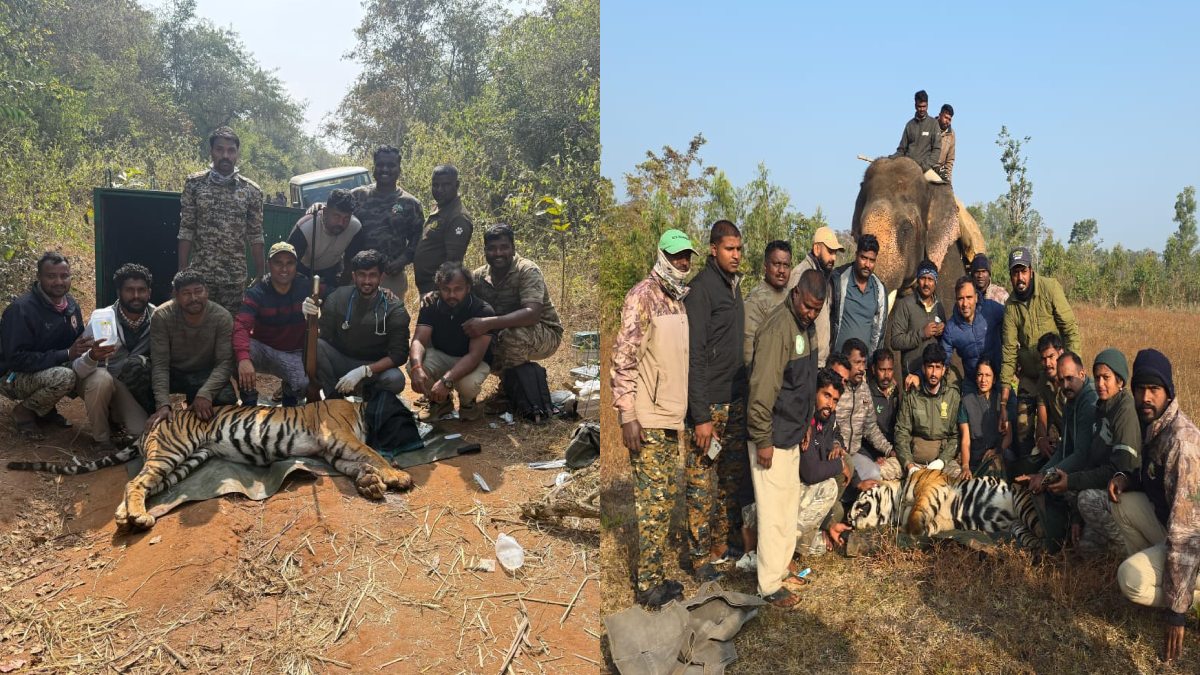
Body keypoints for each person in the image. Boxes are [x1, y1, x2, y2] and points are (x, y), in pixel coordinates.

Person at [610, 228, 696, 608]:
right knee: (652, 506)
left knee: (663, 504)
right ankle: (647, 586)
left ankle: (656, 574)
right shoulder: (642, 296)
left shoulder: (676, 300)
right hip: (647, 420)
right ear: (661, 255)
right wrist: (628, 414)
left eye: (687, 256)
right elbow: (624, 358)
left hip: (670, 419)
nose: (683, 262)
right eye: (676, 255)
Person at [1110, 349, 1200, 664]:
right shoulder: (1156, 425)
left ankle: (1186, 598)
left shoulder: (1181, 442)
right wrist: (1126, 480)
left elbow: (1187, 533)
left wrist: (1176, 615)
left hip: (1194, 542)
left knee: (1129, 579)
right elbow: (1153, 480)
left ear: (1168, 393)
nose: (1146, 397)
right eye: (1140, 389)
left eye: (1154, 390)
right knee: (1122, 504)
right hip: (1174, 529)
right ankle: (1171, 584)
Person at [746, 268, 825, 608]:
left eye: (817, 309)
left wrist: (806, 423)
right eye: (807, 306)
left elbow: (806, 382)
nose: (810, 313)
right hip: (772, 437)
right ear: (795, 294)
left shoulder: (807, 329)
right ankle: (767, 585)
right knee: (772, 512)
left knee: (787, 506)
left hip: (792, 432)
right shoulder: (778, 329)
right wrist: (763, 439)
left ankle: (779, 571)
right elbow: (761, 390)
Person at [684, 219, 748, 581]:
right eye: (729, 249)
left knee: (728, 477)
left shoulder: (734, 287)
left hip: (735, 399)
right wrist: (701, 415)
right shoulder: (702, 290)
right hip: (710, 406)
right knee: (700, 481)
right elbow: (694, 356)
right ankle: (697, 556)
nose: (736, 255)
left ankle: (722, 543)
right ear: (712, 249)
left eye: (739, 249)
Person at [1041, 349, 1140, 556]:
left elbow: (1118, 470)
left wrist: (1071, 481)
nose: (1101, 384)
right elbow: (1091, 462)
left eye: (1107, 378)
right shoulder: (1101, 408)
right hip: (1105, 486)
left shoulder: (1124, 410)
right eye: (1098, 378)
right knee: (1085, 548)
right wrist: (1078, 518)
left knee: (1085, 498)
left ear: (1120, 381)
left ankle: (1130, 548)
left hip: (1125, 490)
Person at [999, 246, 1080, 459]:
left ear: (1031, 271)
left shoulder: (1050, 288)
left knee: (1062, 425)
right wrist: (1004, 402)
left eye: (1023, 271)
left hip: (1055, 373)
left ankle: (1060, 467)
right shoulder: (1011, 307)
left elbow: (1070, 329)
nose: (1020, 277)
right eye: (1015, 273)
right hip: (1029, 375)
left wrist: (1070, 371)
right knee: (1023, 427)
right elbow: (1008, 350)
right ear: (1011, 276)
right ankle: (1027, 470)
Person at [0, 252, 89, 440]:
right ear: (39, 277)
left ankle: (45, 409)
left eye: (64, 276)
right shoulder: (21, 310)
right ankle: (24, 412)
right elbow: (16, 359)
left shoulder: (71, 305)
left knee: (91, 367)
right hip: (12, 375)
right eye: (51, 276)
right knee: (65, 376)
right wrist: (66, 353)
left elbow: (77, 338)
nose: (59, 281)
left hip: (47, 367)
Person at [178, 126, 265, 314]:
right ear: (211, 152)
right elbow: (186, 228)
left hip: (233, 279)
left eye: (231, 150)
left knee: (229, 332)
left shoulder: (251, 191)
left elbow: (255, 234)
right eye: (220, 149)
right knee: (198, 328)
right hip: (201, 277)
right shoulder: (194, 184)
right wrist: (182, 271)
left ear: (237, 154)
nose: (225, 155)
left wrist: (260, 274)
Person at [1017, 351, 1097, 552]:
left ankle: (1060, 534)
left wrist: (1045, 476)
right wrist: (1042, 473)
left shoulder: (1088, 401)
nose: (1066, 385)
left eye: (1070, 378)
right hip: (1080, 466)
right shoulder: (1071, 401)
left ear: (1082, 374)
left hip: (1093, 471)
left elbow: (1081, 455)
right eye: (1061, 380)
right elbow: (1064, 447)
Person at [72, 263, 155, 451]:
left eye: (141, 290)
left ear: (149, 292)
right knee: (101, 379)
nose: (135, 296)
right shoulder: (101, 319)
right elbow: (77, 369)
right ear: (119, 292)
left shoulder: (157, 318)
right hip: (99, 382)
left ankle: (117, 416)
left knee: (142, 435)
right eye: (129, 290)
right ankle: (102, 440)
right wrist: (92, 356)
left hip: (125, 388)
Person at [146, 270, 237, 429]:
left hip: (203, 372)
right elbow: (160, 364)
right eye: (186, 293)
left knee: (225, 398)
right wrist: (163, 404)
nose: (194, 298)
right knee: (134, 369)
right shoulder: (161, 316)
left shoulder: (222, 317)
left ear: (206, 291)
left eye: (198, 291)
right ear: (175, 294)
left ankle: (194, 419)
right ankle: (154, 419)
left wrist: (205, 393)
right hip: (173, 372)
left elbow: (224, 363)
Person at [468, 224, 563, 373]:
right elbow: (458, 295)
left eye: (504, 247)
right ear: (485, 251)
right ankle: (510, 380)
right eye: (492, 248)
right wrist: (434, 296)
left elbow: (532, 314)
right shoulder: (478, 276)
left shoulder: (527, 270)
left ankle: (512, 388)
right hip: (500, 329)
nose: (498, 253)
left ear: (513, 248)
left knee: (512, 336)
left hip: (544, 332)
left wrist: (488, 324)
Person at [315, 250, 409, 399]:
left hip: (374, 369)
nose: (366, 281)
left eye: (372, 275)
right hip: (342, 361)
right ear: (354, 276)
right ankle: (333, 397)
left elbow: (399, 355)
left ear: (381, 277)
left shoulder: (395, 308)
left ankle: (368, 399)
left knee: (395, 380)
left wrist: (364, 371)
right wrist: (307, 317)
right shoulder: (337, 298)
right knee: (316, 346)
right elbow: (324, 337)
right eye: (361, 275)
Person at [408, 262, 495, 422]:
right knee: (414, 365)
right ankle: (440, 403)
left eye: (458, 289)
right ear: (439, 288)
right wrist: (416, 367)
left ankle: (468, 403)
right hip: (443, 355)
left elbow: (475, 356)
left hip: (473, 361)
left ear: (468, 288)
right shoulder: (431, 304)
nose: (451, 295)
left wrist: (446, 381)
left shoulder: (482, 311)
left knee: (467, 385)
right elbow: (419, 340)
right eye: (446, 289)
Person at [233, 242, 313, 407]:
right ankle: (249, 400)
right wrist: (243, 359)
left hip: (292, 352)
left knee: (302, 384)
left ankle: (288, 400)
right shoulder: (257, 292)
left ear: (296, 266)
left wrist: (318, 303)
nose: (284, 268)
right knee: (235, 352)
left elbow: (333, 295)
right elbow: (241, 325)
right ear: (269, 265)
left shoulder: (306, 287)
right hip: (263, 349)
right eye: (278, 263)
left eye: (289, 263)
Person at [346, 145, 425, 300]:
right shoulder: (357, 196)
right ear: (374, 168)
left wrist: (400, 262)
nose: (385, 169)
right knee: (356, 321)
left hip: (391, 275)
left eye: (391, 165)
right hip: (358, 275)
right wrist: (318, 207)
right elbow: (335, 212)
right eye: (380, 165)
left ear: (399, 169)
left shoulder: (410, 204)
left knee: (390, 321)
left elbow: (418, 241)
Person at [831, 339, 897, 484]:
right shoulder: (834, 388)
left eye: (863, 363)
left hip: (853, 453)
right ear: (845, 361)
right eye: (857, 362)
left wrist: (889, 451)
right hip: (832, 452)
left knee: (874, 474)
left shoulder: (864, 389)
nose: (862, 368)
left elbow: (871, 428)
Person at [894, 343, 962, 477]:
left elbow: (956, 436)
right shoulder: (912, 394)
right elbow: (901, 432)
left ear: (944, 370)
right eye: (930, 367)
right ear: (923, 369)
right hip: (914, 460)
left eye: (938, 367)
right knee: (880, 473)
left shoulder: (953, 396)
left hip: (942, 462)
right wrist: (909, 464)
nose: (933, 373)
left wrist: (941, 462)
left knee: (960, 481)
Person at [786, 225, 844, 366]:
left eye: (835, 253)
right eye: (830, 252)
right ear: (817, 249)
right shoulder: (801, 274)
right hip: (803, 361)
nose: (833, 258)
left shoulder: (825, 277)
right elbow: (790, 320)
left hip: (819, 362)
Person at [413, 165, 474, 296]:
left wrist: (438, 291)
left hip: (438, 290)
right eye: (435, 185)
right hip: (427, 287)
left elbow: (452, 263)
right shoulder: (440, 207)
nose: (440, 190)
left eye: (446, 185)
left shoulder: (458, 217)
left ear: (456, 185)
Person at [287, 188, 361, 291]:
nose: (341, 223)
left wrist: (341, 286)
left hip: (333, 271)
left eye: (346, 218)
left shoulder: (355, 227)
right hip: (303, 272)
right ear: (325, 212)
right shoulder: (306, 227)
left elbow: (352, 263)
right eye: (336, 216)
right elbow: (287, 263)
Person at [939, 275, 1004, 394]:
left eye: (969, 297)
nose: (965, 304)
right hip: (972, 383)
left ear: (977, 297)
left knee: (1011, 407)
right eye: (960, 298)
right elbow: (941, 361)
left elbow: (1013, 320)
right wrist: (919, 376)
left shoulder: (992, 309)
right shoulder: (951, 329)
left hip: (999, 377)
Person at [829, 234, 888, 356]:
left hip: (863, 367)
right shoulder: (838, 280)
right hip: (837, 363)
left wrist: (872, 362)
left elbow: (878, 332)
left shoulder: (879, 290)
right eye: (863, 258)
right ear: (856, 255)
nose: (867, 264)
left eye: (872, 260)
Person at [888, 259, 946, 379]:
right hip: (912, 375)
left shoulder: (939, 306)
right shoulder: (905, 304)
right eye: (923, 278)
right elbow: (895, 341)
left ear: (935, 282)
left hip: (934, 377)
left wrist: (943, 331)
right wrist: (921, 334)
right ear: (917, 280)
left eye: (930, 279)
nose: (926, 283)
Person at [957, 359, 1012, 479]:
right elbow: (965, 440)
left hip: (998, 455)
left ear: (994, 379)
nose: (983, 380)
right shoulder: (966, 402)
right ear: (976, 378)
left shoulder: (1001, 401)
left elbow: (1008, 436)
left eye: (988, 375)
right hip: (976, 459)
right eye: (980, 375)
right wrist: (965, 466)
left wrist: (997, 450)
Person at [743, 240, 792, 364]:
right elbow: (748, 350)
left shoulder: (791, 297)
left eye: (786, 265)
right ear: (765, 266)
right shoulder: (755, 301)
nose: (781, 270)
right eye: (776, 264)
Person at [891, 89, 944, 184]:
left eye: (924, 106)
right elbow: (901, 150)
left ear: (927, 105)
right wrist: (890, 159)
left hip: (925, 170)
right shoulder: (909, 125)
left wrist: (924, 166)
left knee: (941, 188)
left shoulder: (933, 124)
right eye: (920, 106)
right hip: (907, 169)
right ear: (915, 105)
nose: (922, 109)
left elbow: (936, 150)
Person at [863, 348, 900, 462]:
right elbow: (867, 431)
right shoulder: (866, 393)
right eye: (882, 370)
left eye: (889, 370)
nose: (886, 375)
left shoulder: (895, 391)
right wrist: (875, 455)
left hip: (892, 450)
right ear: (874, 369)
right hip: (873, 452)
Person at [1034, 332, 1067, 459]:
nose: (1047, 363)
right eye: (1043, 358)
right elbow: (1042, 418)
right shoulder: (1043, 380)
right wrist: (1041, 439)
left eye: (1051, 356)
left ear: (1061, 353)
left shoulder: (1071, 379)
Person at [935, 103, 955, 183]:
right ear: (940, 115)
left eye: (949, 119)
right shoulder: (929, 126)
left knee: (949, 193)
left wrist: (948, 180)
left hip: (941, 171)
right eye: (946, 118)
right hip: (926, 166)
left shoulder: (951, 135)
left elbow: (950, 160)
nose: (947, 121)